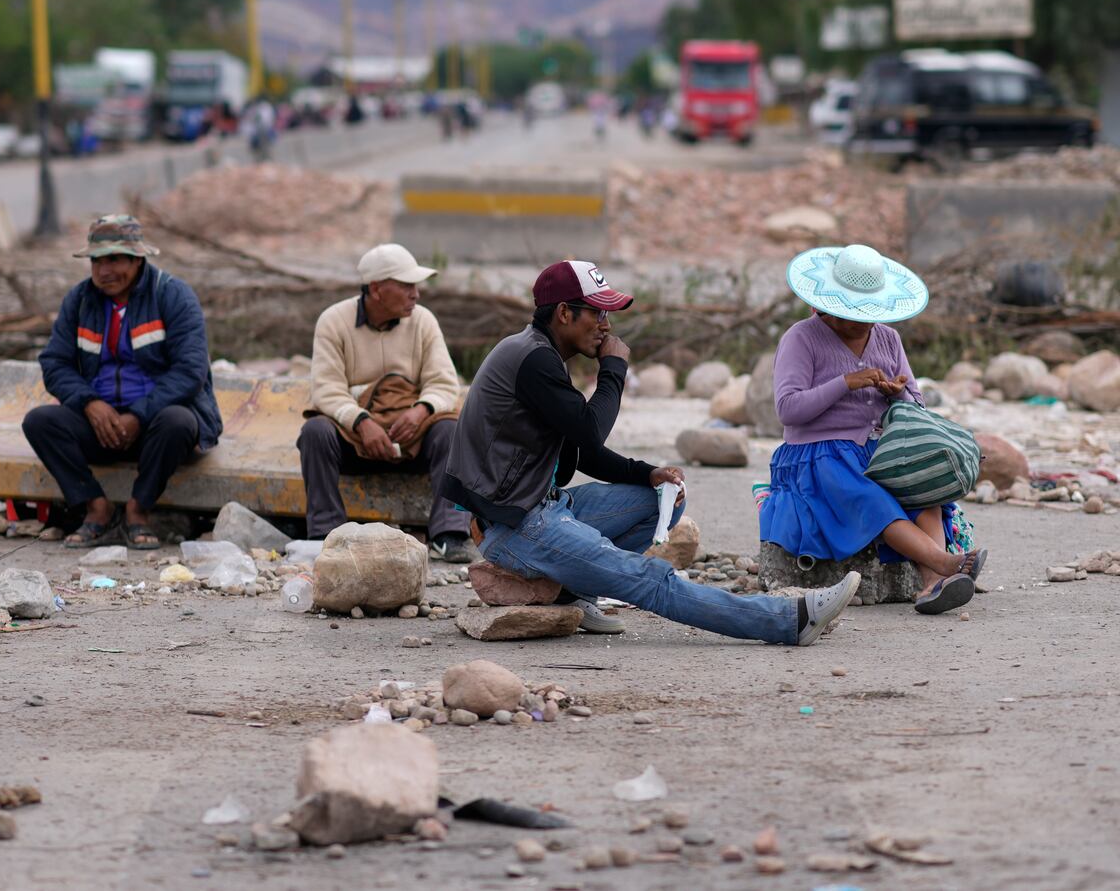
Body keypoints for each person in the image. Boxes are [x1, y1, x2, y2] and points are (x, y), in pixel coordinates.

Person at [440, 259, 860, 645]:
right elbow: (589, 432)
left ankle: (572, 590)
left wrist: (648, 474)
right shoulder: (533, 359)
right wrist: (614, 369)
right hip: (516, 526)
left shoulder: (540, 353)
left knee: (659, 501)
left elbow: (579, 451)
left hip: (543, 508)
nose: (606, 326)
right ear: (564, 314)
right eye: (598, 313)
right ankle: (788, 620)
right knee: (648, 579)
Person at [762, 244, 986, 615]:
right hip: (819, 454)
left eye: (869, 313)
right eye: (853, 313)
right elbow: (788, 410)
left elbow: (917, 401)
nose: (864, 322)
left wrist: (899, 395)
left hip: (880, 448)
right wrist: (846, 382)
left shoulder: (888, 338)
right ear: (830, 305)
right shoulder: (800, 338)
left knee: (924, 492)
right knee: (873, 501)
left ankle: (931, 584)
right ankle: (947, 563)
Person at [22, 215, 222, 551]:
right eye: (97, 261)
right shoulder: (80, 300)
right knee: (40, 422)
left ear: (137, 259)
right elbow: (55, 363)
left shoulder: (173, 296)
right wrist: (90, 403)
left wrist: (138, 415)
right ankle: (95, 507)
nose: (104, 271)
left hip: (154, 428)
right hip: (99, 424)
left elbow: (190, 371)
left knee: (178, 421)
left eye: (114, 259)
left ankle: (138, 511)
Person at [298, 244, 471, 561]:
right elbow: (325, 389)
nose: (415, 294)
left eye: (415, 286)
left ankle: (449, 534)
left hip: (411, 439)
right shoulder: (333, 321)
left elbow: (445, 383)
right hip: (356, 440)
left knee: (450, 430)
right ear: (376, 289)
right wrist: (362, 423)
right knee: (315, 432)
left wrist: (421, 410)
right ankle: (327, 534)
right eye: (406, 286)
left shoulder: (423, 321)